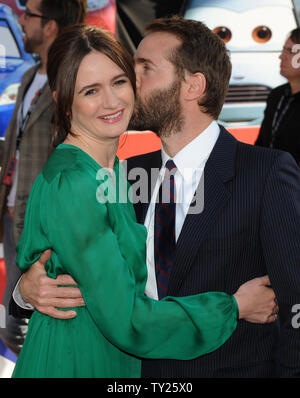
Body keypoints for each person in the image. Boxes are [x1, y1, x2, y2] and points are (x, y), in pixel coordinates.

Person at [13, 17, 295, 378]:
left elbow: (292, 304)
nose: (127, 86)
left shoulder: (264, 174)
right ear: (65, 101)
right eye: (91, 89)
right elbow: (103, 294)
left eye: (141, 70)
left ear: (193, 85)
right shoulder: (118, 176)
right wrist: (25, 290)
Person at [0, 0, 87, 355]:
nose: (21, 19)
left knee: (34, 328)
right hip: (12, 215)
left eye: (29, 14)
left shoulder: (72, 81)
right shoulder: (27, 76)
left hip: (45, 225)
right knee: (13, 321)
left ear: (50, 25)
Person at [255, 28, 300, 166]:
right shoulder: (276, 95)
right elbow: (261, 144)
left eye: (291, 51)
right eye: (283, 50)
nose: (282, 56)